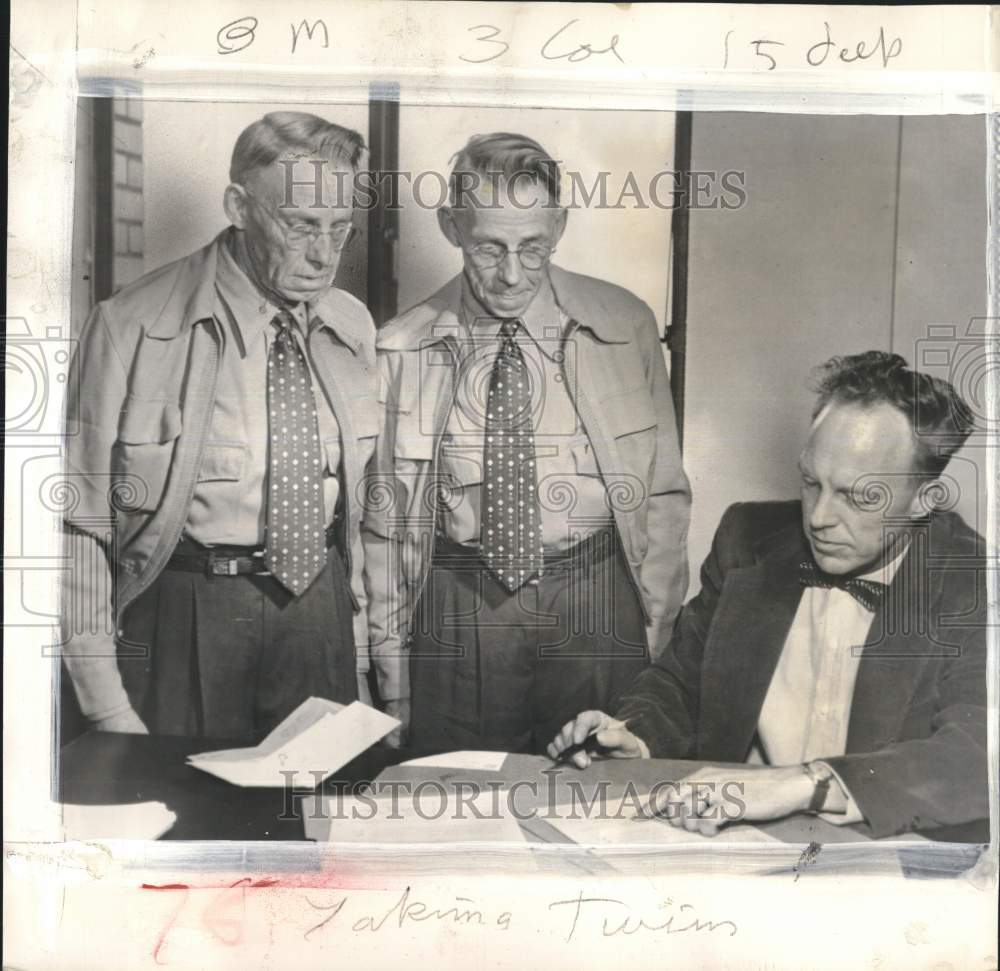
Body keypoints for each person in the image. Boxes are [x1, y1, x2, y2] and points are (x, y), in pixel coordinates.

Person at [549, 351, 988, 839]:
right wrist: (634, 735)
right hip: (729, 845)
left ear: (926, 498)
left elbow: (978, 752)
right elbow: (682, 683)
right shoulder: (747, 537)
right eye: (810, 482)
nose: (820, 517)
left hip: (879, 858)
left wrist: (805, 785)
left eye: (859, 496)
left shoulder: (975, 582)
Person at [364, 132, 691, 752]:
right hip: (463, 603)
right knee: (463, 801)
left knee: (601, 803)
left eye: (532, 247)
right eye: (489, 247)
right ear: (451, 225)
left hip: (599, 599)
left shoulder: (626, 325)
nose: (511, 274)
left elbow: (665, 496)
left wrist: (658, 633)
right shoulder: (400, 348)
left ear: (560, 225)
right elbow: (381, 532)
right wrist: (392, 674)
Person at [61, 112, 380, 739]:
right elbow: (76, 525)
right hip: (184, 611)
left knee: (317, 823)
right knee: (182, 819)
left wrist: (363, 661)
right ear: (239, 205)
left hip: (318, 610)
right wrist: (103, 704)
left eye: (339, 230)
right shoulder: (130, 325)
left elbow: (366, 521)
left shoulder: (354, 326)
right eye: (299, 226)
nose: (323, 255)